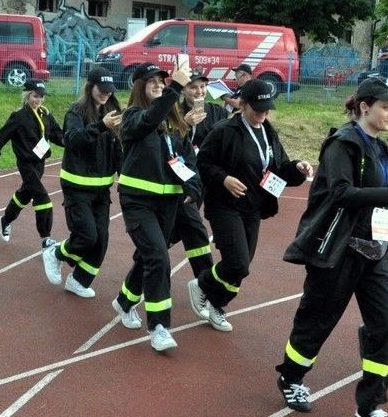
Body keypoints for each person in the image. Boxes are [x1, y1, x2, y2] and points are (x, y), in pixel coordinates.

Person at [274, 75, 388, 417]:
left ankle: (370, 408)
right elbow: (340, 193)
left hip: (376, 254)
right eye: (386, 106)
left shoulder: (384, 150)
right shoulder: (343, 144)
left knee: (386, 327)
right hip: (338, 251)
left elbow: (387, 196)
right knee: (317, 322)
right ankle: (291, 376)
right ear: (365, 106)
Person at [188, 79, 312, 332]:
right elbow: (202, 163)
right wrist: (224, 179)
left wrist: (298, 167)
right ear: (242, 104)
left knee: (242, 268)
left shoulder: (267, 131)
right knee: (238, 263)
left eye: (267, 109)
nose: (262, 114)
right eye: (257, 109)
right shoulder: (225, 130)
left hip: (253, 207)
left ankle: (216, 303)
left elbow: (278, 167)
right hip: (225, 205)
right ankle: (201, 284)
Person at [111, 62, 200, 353]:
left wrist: (193, 189)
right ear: (139, 86)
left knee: (151, 257)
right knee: (159, 258)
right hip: (138, 201)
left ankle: (125, 300)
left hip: (169, 203)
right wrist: (175, 87)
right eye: (152, 80)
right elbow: (150, 118)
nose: (159, 84)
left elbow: (187, 159)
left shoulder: (174, 123)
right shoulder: (133, 117)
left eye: (162, 80)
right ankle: (160, 326)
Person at [41, 68, 123, 300]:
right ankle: (56, 253)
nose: (106, 95)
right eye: (102, 90)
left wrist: (124, 176)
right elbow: (73, 141)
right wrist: (100, 126)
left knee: (102, 241)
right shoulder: (75, 112)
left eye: (110, 91)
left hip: (101, 188)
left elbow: (117, 149)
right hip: (77, 186)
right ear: (91, 87)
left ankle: (78, 280)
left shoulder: (112, 113)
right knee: (87, 235)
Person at [166, 69, 228, 288]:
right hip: (179, 182)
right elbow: (166, 143)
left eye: (202, 87)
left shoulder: (217, 112)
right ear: (183, 90)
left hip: (202, 182)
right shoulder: (173, 111)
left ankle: (128, 293)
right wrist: (185, 123)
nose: (199, 91)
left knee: (168, 236)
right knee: (195, 229)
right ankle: (206, 288)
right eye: (193, 87)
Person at [0, 79, 64, 249]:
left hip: (40, 163)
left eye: (42, 97)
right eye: (36, 96)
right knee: (42, 197)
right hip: (26, 164)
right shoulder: (19, 116)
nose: (39, 100)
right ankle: (46, 239)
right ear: (27, 95)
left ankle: (5, 220)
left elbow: (57, 134)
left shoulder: (45, 113)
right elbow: (1, 136)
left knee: (25, 194)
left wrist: (71, 141)